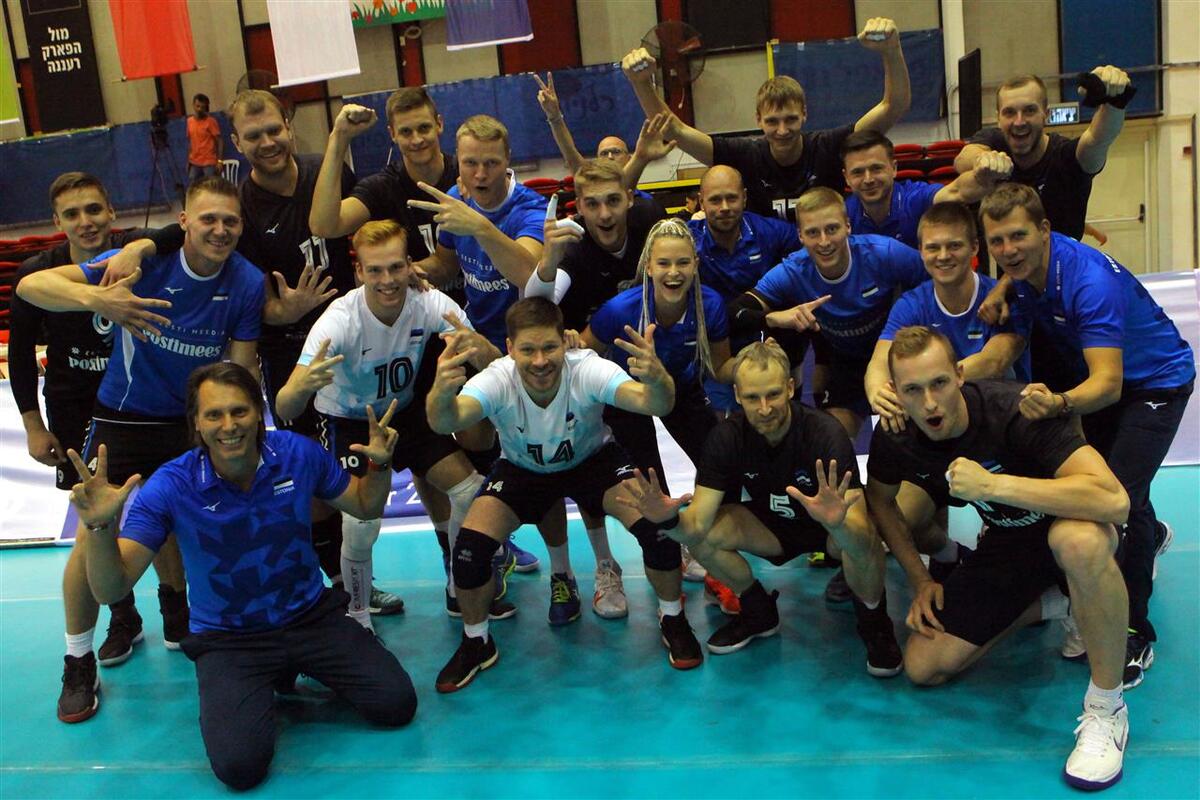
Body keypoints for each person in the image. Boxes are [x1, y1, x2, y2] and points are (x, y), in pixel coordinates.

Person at [66, 362, 416, 790]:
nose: (229, 426)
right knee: (240, 768)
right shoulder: (171, 486)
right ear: (196, 422)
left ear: (258, 412)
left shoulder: (297, 454)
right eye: (214, 415)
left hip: (310, 617)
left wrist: (379, 467)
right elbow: (111, 588)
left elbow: (364, 505)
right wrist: (101, 527)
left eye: (239, 411)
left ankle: (289, 670)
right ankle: (264, 680)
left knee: (397, 704)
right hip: (229, 640)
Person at [16, 176, 265, 724]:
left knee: (185, 526)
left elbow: (241, 366)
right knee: (93, 535)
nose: (220, 230)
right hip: (123, 420)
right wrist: (98, 297)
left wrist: (240, 431)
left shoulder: (247, 282)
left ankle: (180, 612)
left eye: (230, 221)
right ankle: (77, 660)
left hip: (191, 423)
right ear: (184, 222)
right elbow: (30, 288)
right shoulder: (140, 263)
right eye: (208, 219)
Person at [865, 326, 1133, 791]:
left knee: (1076, 542)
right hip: (1009, 542)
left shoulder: (1015, 410)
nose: (929, 403)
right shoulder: (898, 435)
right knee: (924, 666)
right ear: (895, 394)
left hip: (1075, 525)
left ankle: (1107, 709)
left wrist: (993, 486)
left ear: (959, 375)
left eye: (939, 383)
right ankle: (1061, 604)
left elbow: (1114, 500)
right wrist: (920, 579)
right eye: (913, 390)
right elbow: (880, 501)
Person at [312, 96, 542, 571]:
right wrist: (337, 139)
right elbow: (326, 224)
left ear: (440, 125)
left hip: (476, 328)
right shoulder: (387, 186)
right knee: (429, 448)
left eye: (424, 127)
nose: (417, 139)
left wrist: (445, 253)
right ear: (392, 136)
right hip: (422, 328)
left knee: (485, 439)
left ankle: (489, 533)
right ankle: (456, 545)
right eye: (406, 131)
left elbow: (503, 266)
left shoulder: (470, 175)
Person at [426, 297, 703, 692]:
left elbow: (655, 403)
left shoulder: (587, 368)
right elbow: (445, 421)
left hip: (593, 461)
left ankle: (672, 618)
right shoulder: (496, 378)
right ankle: (477, 642)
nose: (540, 361)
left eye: (549, 348)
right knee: (468, 552)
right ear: (510, 348)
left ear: (565, 343)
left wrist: (657, 378)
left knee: (657, 529)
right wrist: (441, 390)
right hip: (523, 471)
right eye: (528, 350)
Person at [980, 183, 1194, 688]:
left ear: (1045, 230)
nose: (1008, 249)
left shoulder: (1088, 282)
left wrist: (1059, 404)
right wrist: (1002, 286)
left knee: (1114, 501)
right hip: (1103, 384)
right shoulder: (1023, 274)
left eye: (1018, 236)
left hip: (1154, 384)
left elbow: (1108, 384)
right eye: (997, 241)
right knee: (1117, 489)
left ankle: (1133, 632)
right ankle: (1151, 536)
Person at [621, 339, 902, 677]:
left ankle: (875, 624)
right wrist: (667, 520)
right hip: (772, 527)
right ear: (738, 395)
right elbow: (694, 526)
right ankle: (758, 612)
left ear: (790, 388)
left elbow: (860, 535)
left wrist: (838, 522)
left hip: (829, 532)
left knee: (864, 536)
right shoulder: (726, 438)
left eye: (773, 394)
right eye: (753, 397)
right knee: (705, 536)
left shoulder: (825, 433)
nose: (765, 408)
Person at [276, 221, 505, 629]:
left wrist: (479, 347)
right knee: (361, 523)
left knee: (469, 490)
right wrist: (303, 386)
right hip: (349, 422)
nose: (387, 280)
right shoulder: (338, 322)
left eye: (396, 267)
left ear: (409, 265)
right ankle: (359, 616)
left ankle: (458, 584)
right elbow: (284, 404)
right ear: (359, 272)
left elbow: (494, 364)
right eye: (376, 270)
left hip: (405, 414)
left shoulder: (428, 302)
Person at [8, 173, 184, 677]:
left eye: (93, 209)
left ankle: (177, 608)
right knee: (98, 521)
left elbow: (182, 231)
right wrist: (33, 425)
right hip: (74, 411)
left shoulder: (136, 251)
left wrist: (143, 245)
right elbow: (20, 355)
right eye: (72, 214)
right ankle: (122, 616)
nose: (85, 221)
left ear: (111, 212)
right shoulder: (41, 272)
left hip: (141, 407)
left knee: (162, 509)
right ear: (56, 221)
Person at [578, 219, 735, 614]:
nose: (673, 272)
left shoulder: (710, 305)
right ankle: (670, 558)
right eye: (664, 263)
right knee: (651, 485)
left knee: (720, 465)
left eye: (682, 263)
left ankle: (706, 551)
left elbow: (721, 367)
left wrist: (757, 366)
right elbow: (582, 353)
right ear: (648, 266)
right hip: (629, 400)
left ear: (696, 264)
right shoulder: (620, 310)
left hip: (682, 389)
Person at [622, 17, 910, 219]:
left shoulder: (828, 146)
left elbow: (893, 106)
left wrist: (892, 50)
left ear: (805, 115)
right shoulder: (745, 154)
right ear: (758, 120)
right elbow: (674, 130)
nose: (782, 130)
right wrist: (640, 83)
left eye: (790, 119)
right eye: (772, 121)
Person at [730, 187, 926, 438]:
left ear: (848, 226)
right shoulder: (792, 271)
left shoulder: (884, 252)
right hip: (844, 364)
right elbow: (734, 312)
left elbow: (936, 280)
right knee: (831, 434)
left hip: (895, 356)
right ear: (800, 235)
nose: (824, 242)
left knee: (905, 429)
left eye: (832, 229)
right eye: (813, 232)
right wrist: (772, 318)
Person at [955, 67, 1132, 240]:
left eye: (1029, 110)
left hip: (1060, 260)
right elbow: (963, 159)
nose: (1019, 122)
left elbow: (1097, 138)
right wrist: (983, 161)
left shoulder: (1066, 157)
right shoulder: (993, 141)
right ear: (998, 118)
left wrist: (1115, 100)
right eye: (1009, 112)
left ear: (1045, 114)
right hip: (1003, 259)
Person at [686, 164, 800, 415]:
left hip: (768, 341)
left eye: (732, 198)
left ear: (745, 197)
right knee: (727, 426)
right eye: (715, 200)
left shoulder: (771, 232)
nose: (724, 207)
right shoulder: (687, 242)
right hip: (716, 348)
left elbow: (810, 255)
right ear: (701, 202)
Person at [842, 130, 1013, 249]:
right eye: (858, 172)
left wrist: (985, 175)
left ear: (893, 168)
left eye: (876, 168)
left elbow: (957, 191)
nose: (868, 179)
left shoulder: (913, 198)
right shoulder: (843, 214)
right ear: (846, 177)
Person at [532, 72, 673, 200]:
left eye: (616, 152)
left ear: (629, 159)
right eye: (604, 153)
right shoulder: (590, 187)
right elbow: (570, 154)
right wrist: (555, 116)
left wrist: (641, 157)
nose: (610, 157)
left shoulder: (647, 203)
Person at [186, 93, 223, 186]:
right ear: (193, 105)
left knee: (211, 186)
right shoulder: (189, 121)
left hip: (209, 162)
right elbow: (190, 141)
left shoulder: (210, 121)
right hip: (194, 162)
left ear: (206, 107)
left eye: (202, 107)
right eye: (197, 106)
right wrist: (188, 161)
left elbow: (220, 141)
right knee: (194, 186)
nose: (199, 109)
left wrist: (220, 161)